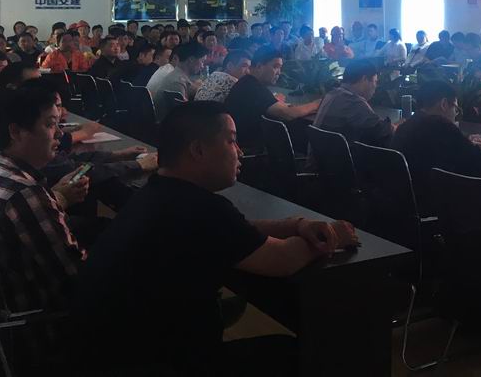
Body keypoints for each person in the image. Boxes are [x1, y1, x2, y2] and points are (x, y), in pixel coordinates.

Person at [73, 101, 357, 376]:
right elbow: (282, 259)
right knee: (302, 355)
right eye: (231, 141)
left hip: (110, 354)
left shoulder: (158, 192)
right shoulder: (199, 208)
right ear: (198, 150)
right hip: (160, 363)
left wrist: (297, 225)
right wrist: (334, 234)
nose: (239, 151)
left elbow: (239, 229)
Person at [0, 88, 87, 352]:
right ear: (15, 131)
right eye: (50, 124)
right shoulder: (24, 194)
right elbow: (77, 278)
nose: (59, 133)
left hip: (8, 326)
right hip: (45, 332)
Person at [393, 80, 481, 211]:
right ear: (444, 104)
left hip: (404, 205)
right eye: (456, 109)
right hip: (438, 206)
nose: (455, 115)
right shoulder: (440, 126)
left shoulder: (404, 127)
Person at [223, 47, 321, 151]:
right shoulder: (252, 87)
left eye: (280, 68)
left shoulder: (248, 83)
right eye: (275, 67)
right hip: (250, 150)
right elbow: (287, 113)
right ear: (259, 66)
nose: (279, 72)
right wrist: (317, 104)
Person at [310, 59, 392, 148]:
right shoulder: (354, 102)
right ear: (364, 79)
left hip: (317, 155)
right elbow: (385, 131)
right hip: (339, 157)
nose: (375, 86)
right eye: (375, 81)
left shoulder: (331, 95)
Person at [147, 42, 207, 120]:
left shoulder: (176, 75)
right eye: (202, 61)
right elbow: (181, 116)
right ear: (191, 59)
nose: (202, 66)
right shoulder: (177, 82)